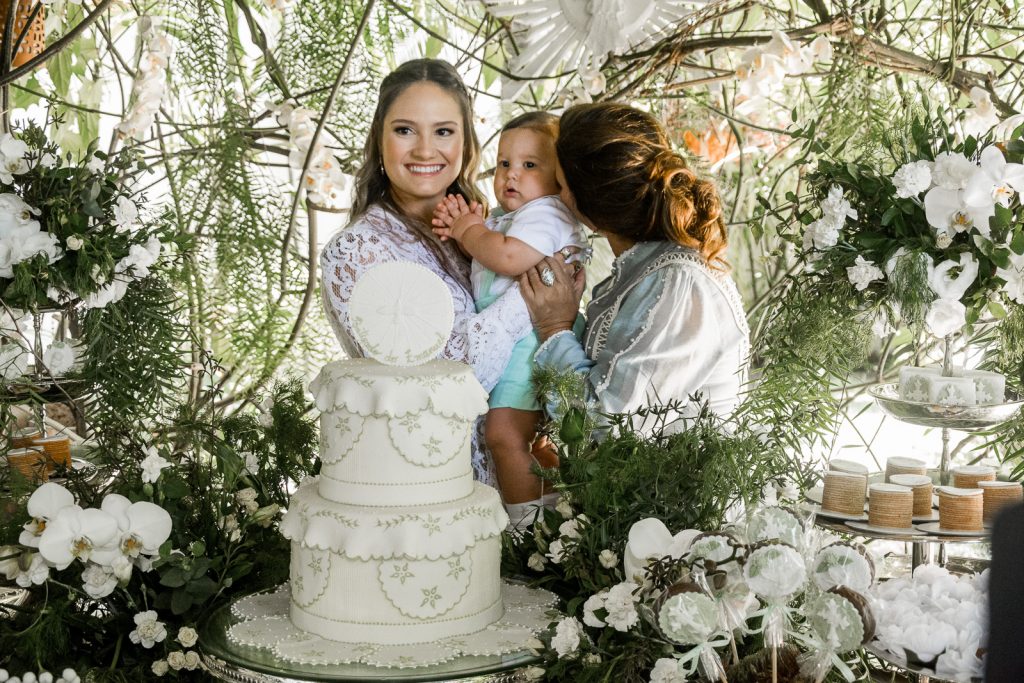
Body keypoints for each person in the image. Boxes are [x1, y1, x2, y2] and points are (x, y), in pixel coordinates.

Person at [319, 59, 533, 485]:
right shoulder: (356, 251)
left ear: (466, 143)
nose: (424, 150)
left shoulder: (481, 233)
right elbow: (445, 379)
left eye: (443, 131)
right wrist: (535, 289)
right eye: (404, 130)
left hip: (516, 487)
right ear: (379, 140)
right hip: (429, 496)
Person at [519, 102, 749, 430]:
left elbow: (613, 430)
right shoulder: (644, 273)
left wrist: (555, 328)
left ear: (585, 204)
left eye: (557, 185)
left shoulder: (677, 285)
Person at [431, 112, 587, 526]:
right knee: (528, 440)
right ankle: (557, 517)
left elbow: (507, 256)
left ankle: (529, 532)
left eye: (530, 165)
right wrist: (473, 229)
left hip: (532, 340)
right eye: (504, 164)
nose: (511, 175)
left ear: (560, 179)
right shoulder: (516, 217)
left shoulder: (547, 212)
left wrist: (468, 230)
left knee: (504, 434)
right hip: (524, 338)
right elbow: (495, 263)